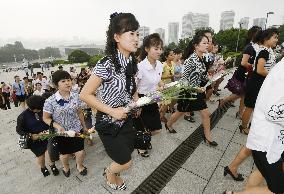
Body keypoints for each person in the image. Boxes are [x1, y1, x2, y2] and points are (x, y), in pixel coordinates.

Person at [79, 12, 140, 190]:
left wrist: (137, 101)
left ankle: (114, 171)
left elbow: (131, 88)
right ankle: (109, 172)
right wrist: (112, 111)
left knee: (127, 152)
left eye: (137, 33)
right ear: (117, 37)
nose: (136, 38)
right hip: (108, 122)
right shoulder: (106, 64)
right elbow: (85, 94)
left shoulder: (131, 62)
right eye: (131, 33)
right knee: (126, 161)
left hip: (126, 119)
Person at [224, 28, 279, 182]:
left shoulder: (264, 50)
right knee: (250, 106)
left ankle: (245, 126)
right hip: (256, 83)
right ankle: (244, 126)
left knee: (250, 106)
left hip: (257, 83)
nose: (276, 40)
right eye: (274, 37)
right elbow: (260, 69)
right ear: (266, 38)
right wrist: (275, 77)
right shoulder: (264, 52)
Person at [223, 57, 284, 194]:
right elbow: (273, 112)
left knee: (263, 172)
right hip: (268, 139)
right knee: (277, 190)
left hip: (271, 137)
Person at [166, 33, 218, 146]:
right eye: (204, 43)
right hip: (188, 92)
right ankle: (169, 124)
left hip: (197, 92)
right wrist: (195, 88)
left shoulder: (201, 58)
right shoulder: (190, 60)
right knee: (181, 111)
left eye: (207, 43)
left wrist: (210, 78)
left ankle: (207, 137)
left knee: (205, 113)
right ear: (196, 46)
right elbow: (184, 80)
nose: (207, 45)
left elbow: (201, 75)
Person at [43, 70, 88, 178]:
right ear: (56, 84)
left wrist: (84, 126)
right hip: (62, 133)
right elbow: (45, 118)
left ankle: (80, 166)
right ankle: (66, 167)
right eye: (63, 81)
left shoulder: (76, 96)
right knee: (64, 154)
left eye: (69, 80)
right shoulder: (50, 101)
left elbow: (79, 111)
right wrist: (57, 126)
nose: (68, 83)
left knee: (80, 152)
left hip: (76, 129)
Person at [219, 26, 262, 122]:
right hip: (243, 74)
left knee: (243, 95)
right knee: (240, 94)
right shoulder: (249, 47)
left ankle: (239, 113)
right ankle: (224, 101)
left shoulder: (256, 47)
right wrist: (255, 67)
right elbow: (243, 62)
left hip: (248, 74)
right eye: (258, 33)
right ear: (253, 35)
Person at [16, 95, 59, 177]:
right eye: (40, 108)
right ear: (33, 108)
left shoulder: (43, 110)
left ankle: (52, 166)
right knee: (41, 156)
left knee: (50, 153)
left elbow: (50, 119)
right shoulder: (22, 117)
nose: (42, 109)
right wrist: (31, 135)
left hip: (47, 136)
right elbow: (19, 130)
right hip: (35, 141)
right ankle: (43, 168)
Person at [135, 33, 164, 157]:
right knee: (142, 127)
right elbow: (134, 88)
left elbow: (158, 80)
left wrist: (162, 84)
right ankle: (141, 146)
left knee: (156, 129)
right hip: (141, 98)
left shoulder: (160, 65)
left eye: (160, 48)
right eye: (156, 48)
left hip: (153, 98)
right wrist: (138, 105)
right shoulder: (140, 67)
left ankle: (143, 139)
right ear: (146, 49)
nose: (159, 51)